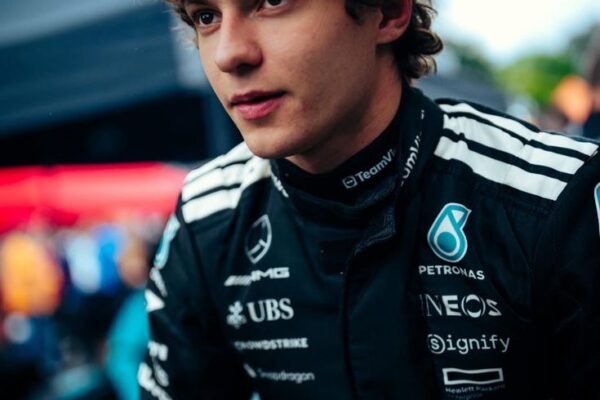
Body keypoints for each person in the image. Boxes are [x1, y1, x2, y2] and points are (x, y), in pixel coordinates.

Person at [139, 1, 600, 399]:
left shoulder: (557, 196)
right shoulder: (206, 217)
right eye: (206, 16)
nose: (228, 54)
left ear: (388, 12)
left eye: (272, 2)